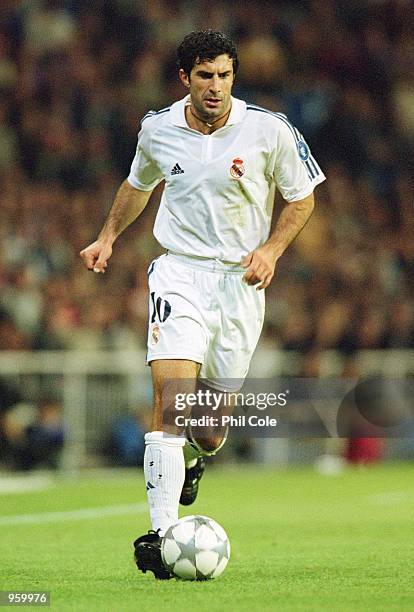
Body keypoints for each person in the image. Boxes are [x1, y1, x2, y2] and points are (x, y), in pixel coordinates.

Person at [80, 29, 325, 579]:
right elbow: (137, 184)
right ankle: (162, 534)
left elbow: (302, 196)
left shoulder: (270, 129)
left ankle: (193, 461)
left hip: (240, 285)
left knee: (209, 429)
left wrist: (272, 249)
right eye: (205, 76)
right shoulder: (158, 129)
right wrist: (108, 236)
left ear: (233, 78)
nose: (216, 87)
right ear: (184, 78)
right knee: (171, 401)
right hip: (179, 273)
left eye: (225, 76)